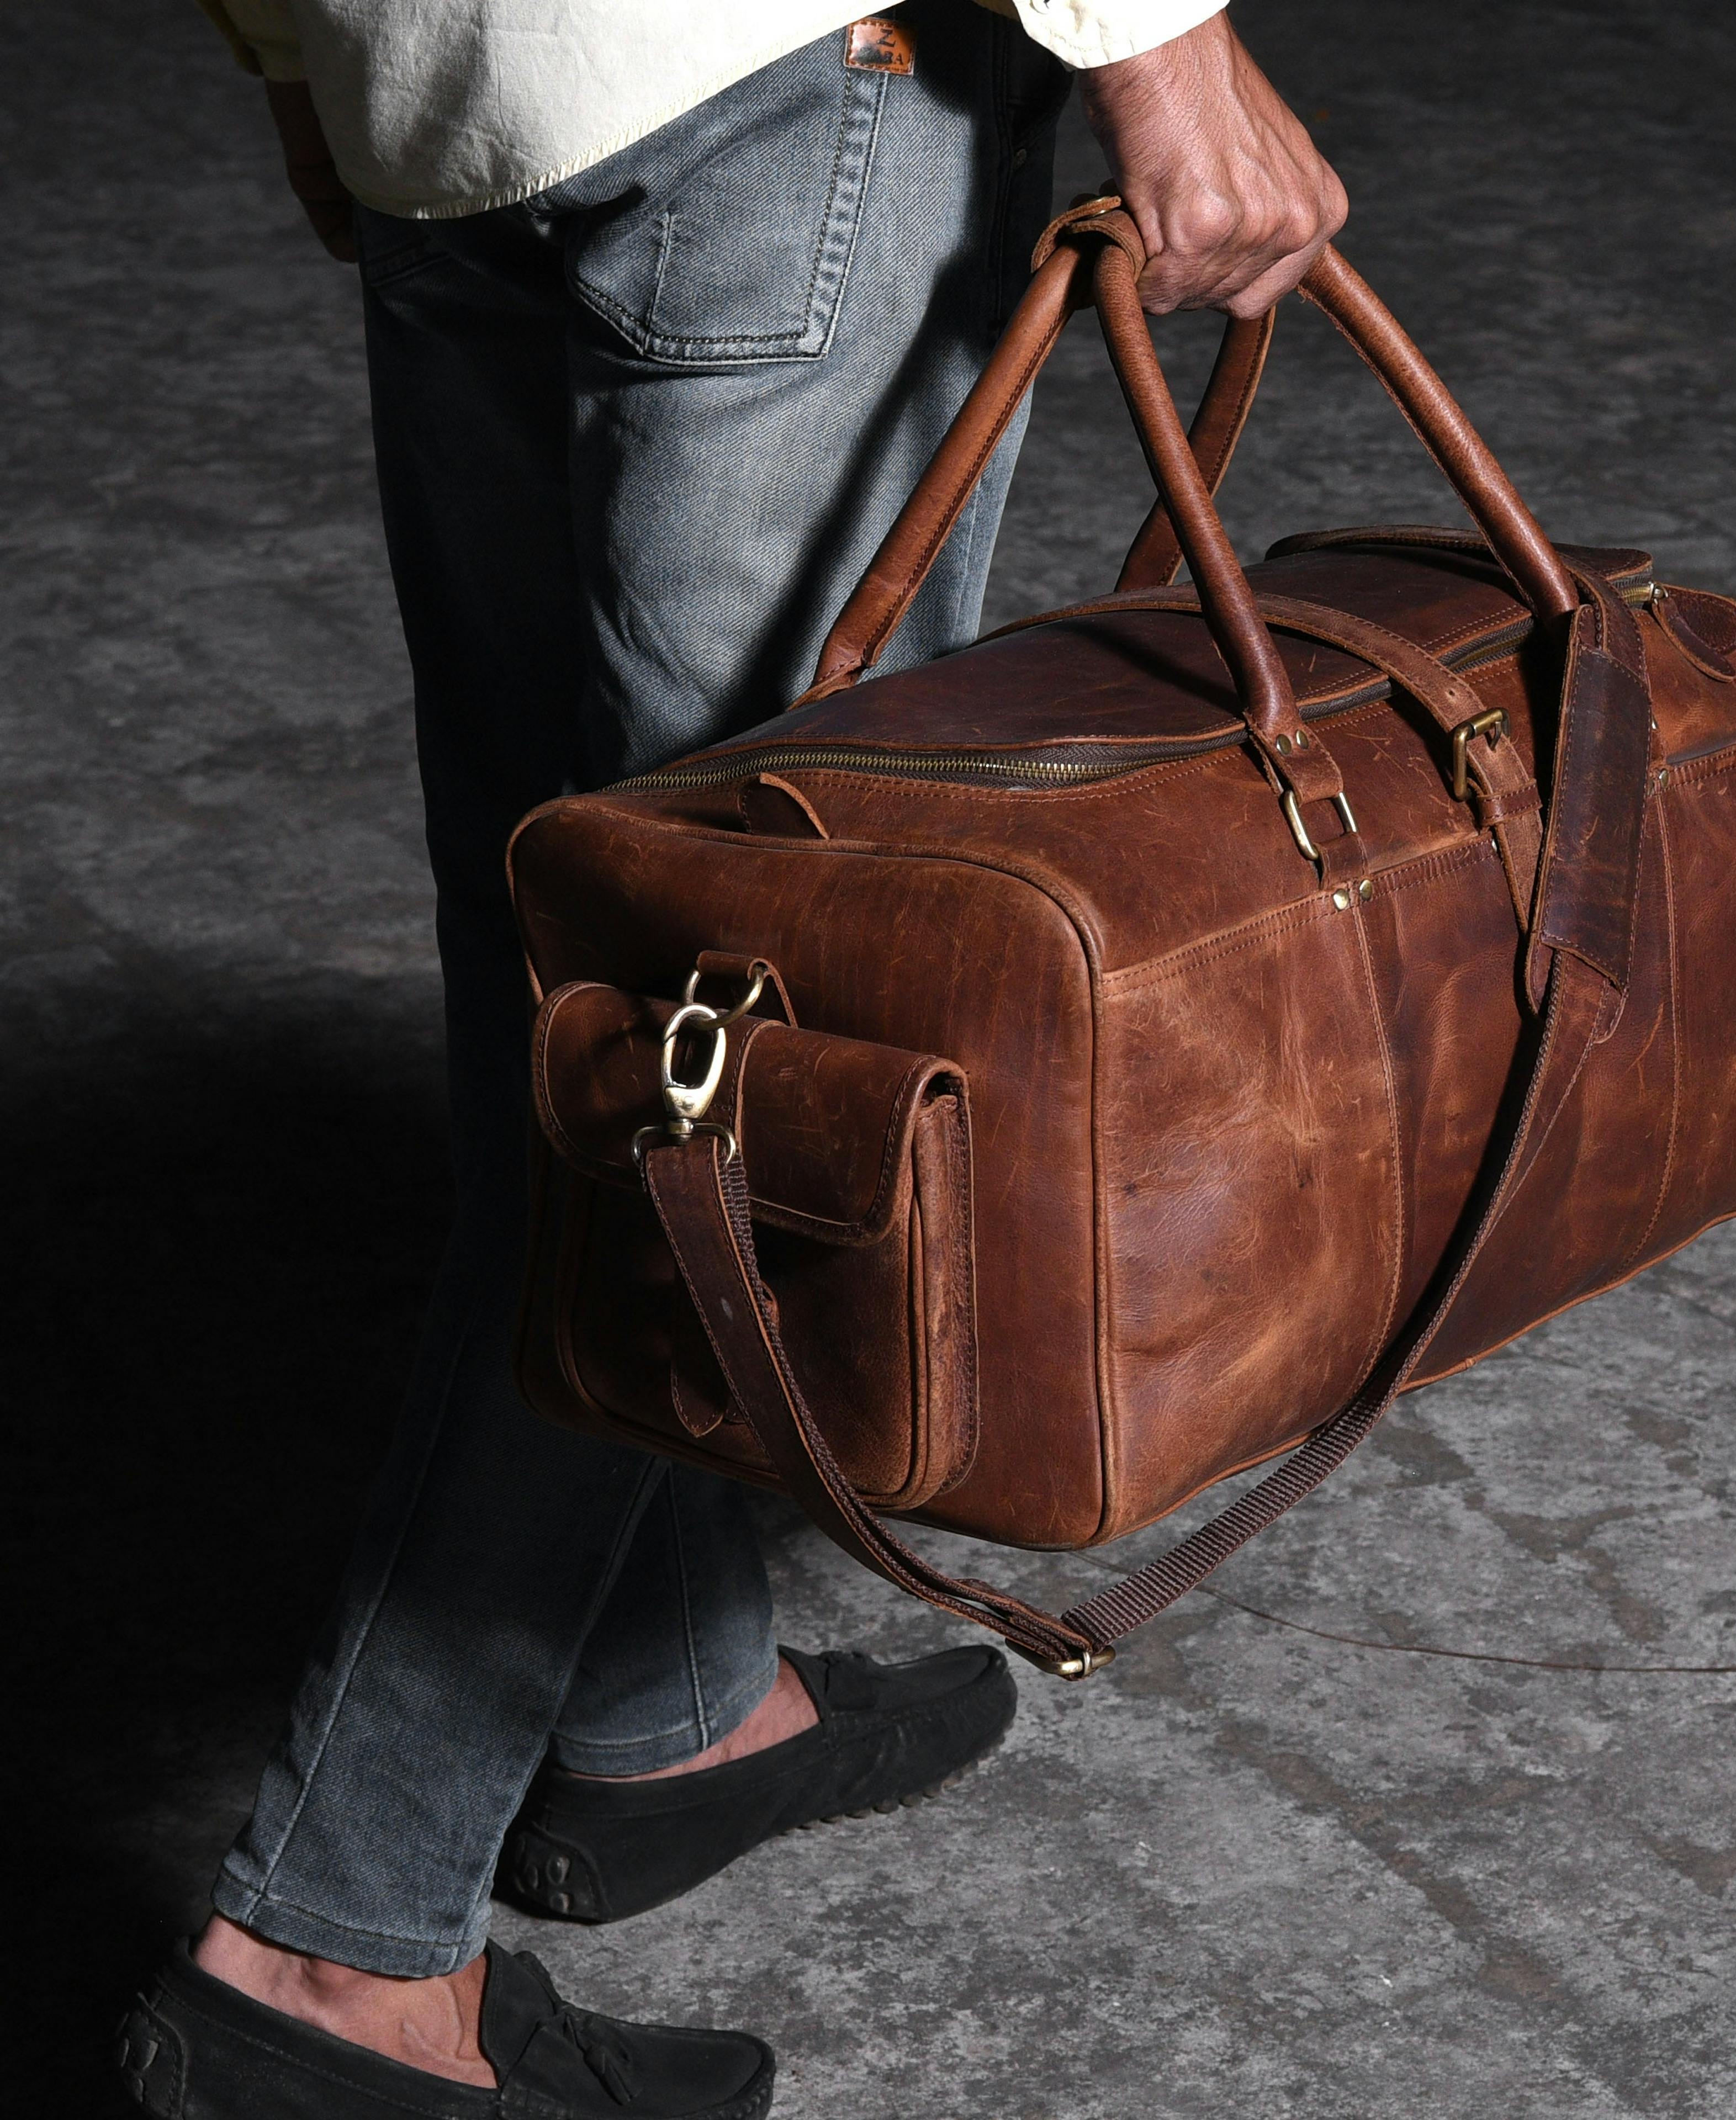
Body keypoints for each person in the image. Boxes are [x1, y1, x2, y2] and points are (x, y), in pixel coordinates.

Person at [118, 4, 1346, 2113]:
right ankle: (327, 1962)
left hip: (448, 90)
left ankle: (666, 1707)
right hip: (779, 89)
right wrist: (1156, 36)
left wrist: (297, 50)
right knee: (728, 1070)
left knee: (580, 969)